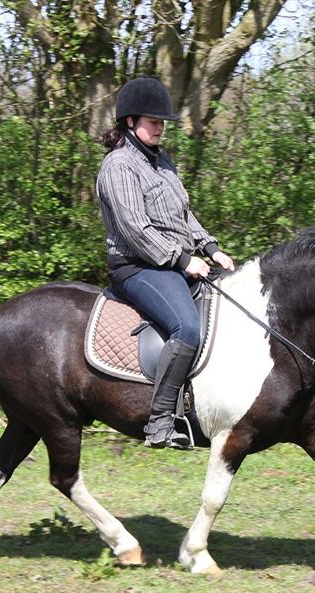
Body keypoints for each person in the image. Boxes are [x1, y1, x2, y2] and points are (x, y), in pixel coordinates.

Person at [97, 76, 234, 449]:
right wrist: (184, 259)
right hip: (138, 267)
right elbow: (136, 229)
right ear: (130, 121)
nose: (160, 127)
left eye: (163, 122)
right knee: (187, 328)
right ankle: (159, 423)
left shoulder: (161, 162)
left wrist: (211, 247)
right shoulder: (119, 167)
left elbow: (183, 215)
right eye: (153, 121)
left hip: (173, 262)